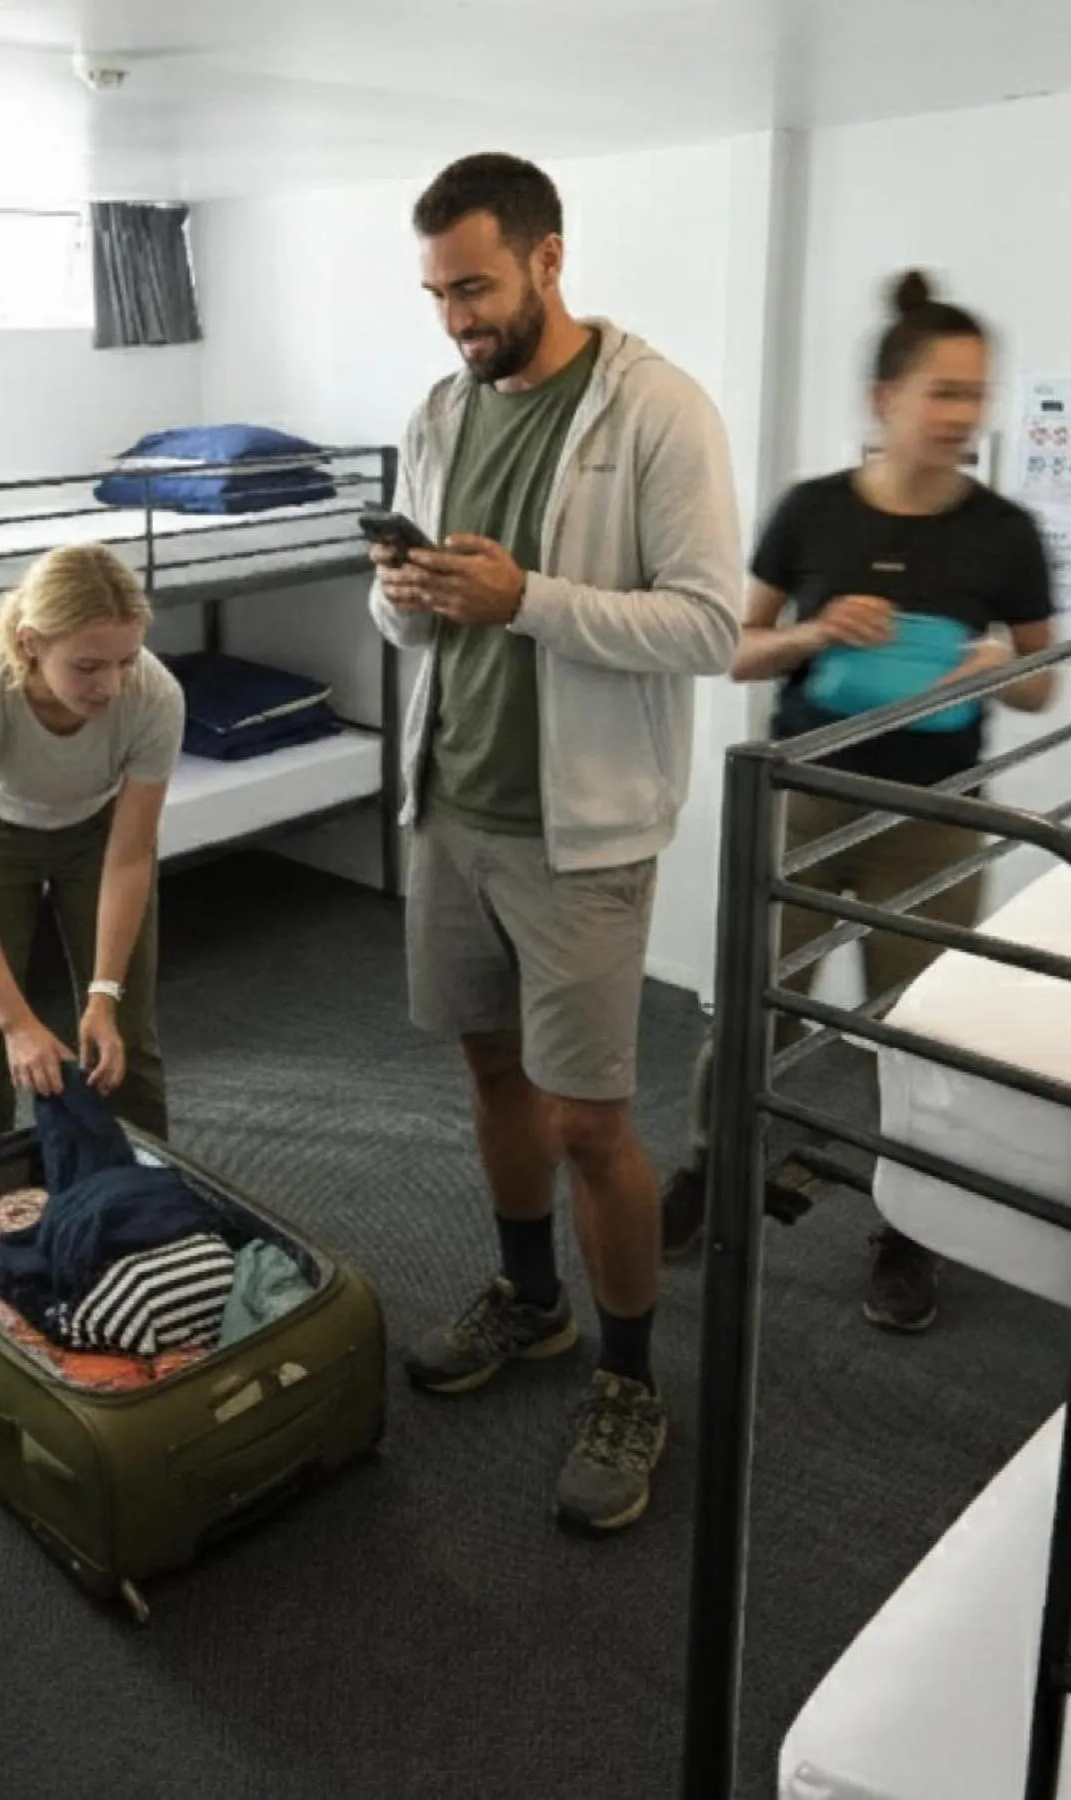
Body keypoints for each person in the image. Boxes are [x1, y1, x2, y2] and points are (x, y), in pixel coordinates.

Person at [369, 151, 743, 1536]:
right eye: (437, 293)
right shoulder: (437, 410)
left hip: (580, 829)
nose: (457, 318)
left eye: (475, 285)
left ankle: (633, 1374)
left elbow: (706, 627)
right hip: (451, 805)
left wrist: (526, 599)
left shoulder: (656, 412)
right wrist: (402, 593)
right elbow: (410, 627)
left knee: (591, 1119)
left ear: (547, 257)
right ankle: (531, 1302)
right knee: (490, 1071)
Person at [659, 270, 1059, 1333]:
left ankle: (910, 1233)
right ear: (884, 399)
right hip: (806, 798)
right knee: (750, 1005)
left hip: (931, 826)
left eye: (976, 395)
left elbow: (1044, 680)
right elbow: (736, 651)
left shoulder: (1006, 535)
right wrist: (815, 633)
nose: (963, 415)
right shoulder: (813, 513)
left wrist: (989, 673)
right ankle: (709, 1167)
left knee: (918, 1036)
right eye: (944, 392)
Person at [0, 542, 184, 1151]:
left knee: (126, 1037)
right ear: (31, 642)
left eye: (127, 660)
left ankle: (153, 1201)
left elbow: (129, 856)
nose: (112, 686)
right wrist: (18, 1022)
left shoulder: (156, 696)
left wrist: (101, 997)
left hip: (98, 835)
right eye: (88, 667)